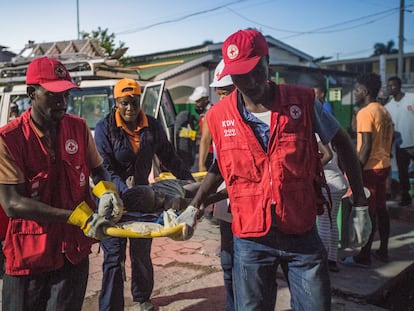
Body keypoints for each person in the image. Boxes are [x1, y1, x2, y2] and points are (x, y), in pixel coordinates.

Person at [187, 29, 371, 311]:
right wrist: (196, 204)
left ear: (267, 62)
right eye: (239, 75)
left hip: (301, 229)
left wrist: (360, 202)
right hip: (251, 237)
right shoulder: (219, 116)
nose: (249, 82)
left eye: (255, 70)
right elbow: (220, 166)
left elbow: (343, 143)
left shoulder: (303, 102)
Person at [0, 56, 116, 311]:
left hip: (73, 253)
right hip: (28, 257)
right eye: (53, 94)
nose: (62, 102)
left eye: (66, 94)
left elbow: (99, 170)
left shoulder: (79, 128)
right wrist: (78, 218)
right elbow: (12, 203)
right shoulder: (9, 139)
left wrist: (107, 192)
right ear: (31, 92)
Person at [94, 78, 194, 311]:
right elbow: (103, 167)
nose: (130, 108)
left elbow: (169, 157)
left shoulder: (152, 125)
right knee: (113, 256)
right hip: (112, 199)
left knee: (141, 253)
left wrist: (189, 181)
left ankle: (142, 299)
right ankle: (110, 306)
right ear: (116, 102)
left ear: (140, 100)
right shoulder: (104, 128)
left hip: (143, 201)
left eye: (134, 102)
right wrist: (124, 191)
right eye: (124, 103)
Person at [342, 73, 394, 267]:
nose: (354, 93)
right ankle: (384, 250)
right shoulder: (383, 110)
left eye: (356, 89)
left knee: (369, 212)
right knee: (381, 209)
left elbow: (365, 146)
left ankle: (364, 256)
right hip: (384, 165)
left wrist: (356, 172)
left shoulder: (365, 112)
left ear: (365, 91)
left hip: (370, 169)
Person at [208, 59, 236, 311]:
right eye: (219, 94)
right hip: (225, 200)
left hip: (249, 204)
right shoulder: (219, 117)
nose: (221, 99)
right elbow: (218, 166)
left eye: (226, 92)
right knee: (227, 260)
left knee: (249, 263)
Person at [315, 134, 348, 272]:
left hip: (329, 184)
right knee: (331, 221)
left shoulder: (315, 135)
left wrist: (312, 168)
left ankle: (322, 262)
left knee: (323, 223)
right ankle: (332, 260)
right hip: (338, 181)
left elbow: (327, 155)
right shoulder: (327, 136)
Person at [385, 76, 414, 207]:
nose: (391, 88)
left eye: (393, 85)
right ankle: (406, 197)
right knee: (403, 174)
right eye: (388, 86)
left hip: (413, 143)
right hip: (400, 146)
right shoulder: (388, 107)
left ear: (399, 85)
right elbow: (390, 129)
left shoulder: (411, 98)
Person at [189, 86, 213, 171]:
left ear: (206, 99)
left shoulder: (210, 113)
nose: (196, 103)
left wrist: (192, 135)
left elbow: (208, 138)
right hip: (204, 151)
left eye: (198, 101)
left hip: (210, 153)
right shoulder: (203, 113)